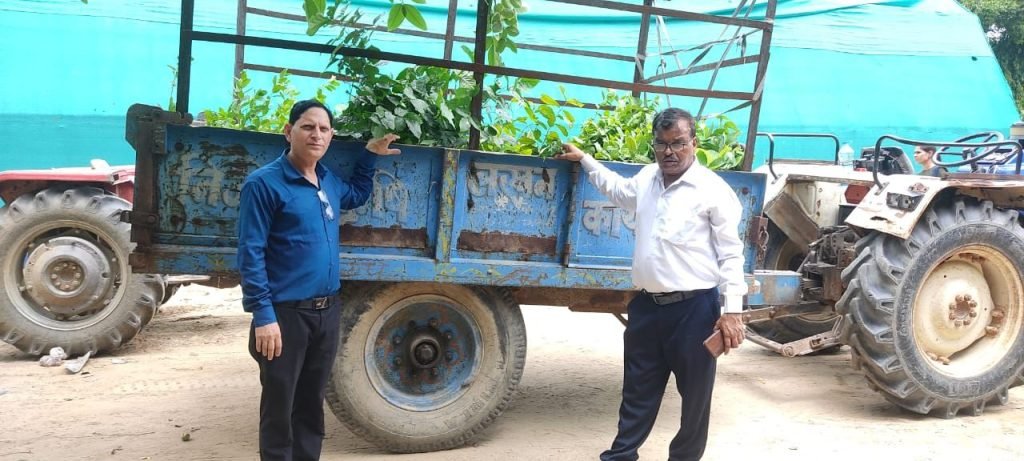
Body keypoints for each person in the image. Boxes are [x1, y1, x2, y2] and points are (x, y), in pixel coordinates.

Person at [556, 107, 747, 461]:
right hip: (646, 308)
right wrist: (585, 160)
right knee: (637, 391)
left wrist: (732, 310)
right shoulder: (647, 179)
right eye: (661, 144)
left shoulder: (713, 191)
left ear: (694, 143)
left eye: (678, 143)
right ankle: (621, 456)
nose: (669, 152)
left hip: (695, 311)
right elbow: (617, 189)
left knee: (695, 400)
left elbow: (731, 255)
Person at [237, 99, 400, 461]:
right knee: (280, 406)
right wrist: (263, 316)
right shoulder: (264, 184)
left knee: (311, 404)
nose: (317, 135)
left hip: (327, 312)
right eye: (308, 127)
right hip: (285, 315)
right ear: (288, 131)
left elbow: (356, 195)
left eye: (324, 129)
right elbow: (250, 254)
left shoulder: (326, 179)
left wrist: (370, 155)